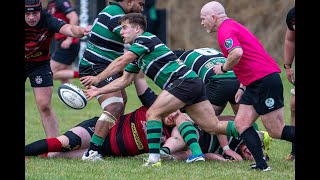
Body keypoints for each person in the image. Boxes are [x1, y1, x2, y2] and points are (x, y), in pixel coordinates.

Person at [81, 13, 245, 167]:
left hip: (183, 83)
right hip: (192, 83)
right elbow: (124, 80)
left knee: (153, 113)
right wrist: (98, 91)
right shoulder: (139, 55)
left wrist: (98, 78)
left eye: (124, 27)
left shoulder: (145, 39)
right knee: (212, 126)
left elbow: (122, 60)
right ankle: (249, 131)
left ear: (137, 29)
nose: (121, 32)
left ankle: (154, 159)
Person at [26, 71, 215, 161]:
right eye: (171, 110)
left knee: (56, 156)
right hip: (100, 129)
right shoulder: (154, 105)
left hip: (108, 151)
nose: (172, 114)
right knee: (63, 142)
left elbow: (182, 141)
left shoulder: (174, 133)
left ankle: (33, 156)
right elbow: (139, 78)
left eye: (177, 112)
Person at [200, 1, 295, 171]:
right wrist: (242, 87)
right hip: (253, 83)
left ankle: (262, 163)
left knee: (276, 130)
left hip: (265, 80)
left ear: (214, 17)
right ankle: (261, 164)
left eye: (203, 18)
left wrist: (223, 68)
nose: (202, 22)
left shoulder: (225, 30)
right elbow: (249, 59)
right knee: (241, 123)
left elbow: (237, 53)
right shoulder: (232, 26)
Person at [77, 0, 146, 160]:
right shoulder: (116, 15)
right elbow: (137, 39)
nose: (142, 9)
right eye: (140, 4)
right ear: (129, 2)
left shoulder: (113, 10)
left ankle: (111, 144)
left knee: (122, 102)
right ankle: (92, 152)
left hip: (104, 65)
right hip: (96, 67)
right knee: (114, 106)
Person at [25, 0, 91, 137]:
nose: (31, 17)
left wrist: (80, 31)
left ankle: (54, 145)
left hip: (39, 64)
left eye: (35, 13)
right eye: (27, 13)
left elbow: (68, 28)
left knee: (44, 105)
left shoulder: (47, 18)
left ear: (40, 11)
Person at [160, 116, 272, 162]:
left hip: (197, 150)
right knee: (183, 139)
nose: (248, 152)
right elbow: (217, 124)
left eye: (249, 157)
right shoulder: (240, 134)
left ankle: (168, 158)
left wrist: (221, 159)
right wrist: (226, 148)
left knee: (189, 154)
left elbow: (207, 156)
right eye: (252, 151)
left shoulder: (236, 157)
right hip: (194, 131)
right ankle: (163, 151)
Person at [173, 48, 242, 115]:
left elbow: (185, 90)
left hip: (218, 81)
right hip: (238, 78)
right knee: (242, 121)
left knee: (207, 122)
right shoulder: (207, 51)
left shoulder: (180, 61)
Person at [47, 0, 81, 84]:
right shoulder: (51, 3)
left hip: (68, 43)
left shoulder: (60, 2)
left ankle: (84, 74)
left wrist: (69, 39)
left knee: (50, 72)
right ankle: (73, 97)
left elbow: (74, 17)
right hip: (62, 42)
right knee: (65, 80)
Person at [283, 4, 295, 161]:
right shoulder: (292, 15)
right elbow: (290, 39)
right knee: (294, 106)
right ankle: (294, 151)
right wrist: (287, 66)